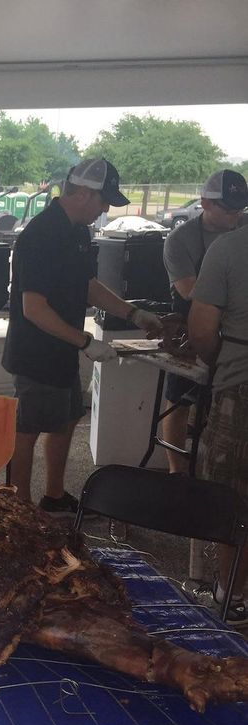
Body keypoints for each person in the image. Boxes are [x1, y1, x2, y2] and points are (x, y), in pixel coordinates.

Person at [2, 158, 163, 514]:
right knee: (26, 430)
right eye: (103, 199)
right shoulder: (41, 234)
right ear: (82, 193)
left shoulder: (78, 231)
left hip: (62, 349)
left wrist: (132, 312)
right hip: (35, 352)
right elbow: (34, 308)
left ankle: (54, 496)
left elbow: (88, 285)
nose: (106, 208)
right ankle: (18, 508)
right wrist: (86, 342)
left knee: (66, 418)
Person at [161, 170, 248, 474]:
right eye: (228, 208)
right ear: (205, 203)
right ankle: (176, 469)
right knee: (178, 400)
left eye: (241, 207)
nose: (236, 215)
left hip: (233, 332)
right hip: (194, 325)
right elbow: (190, 291)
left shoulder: (242, 229)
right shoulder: (179, 240)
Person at [188, 221, 248, 625]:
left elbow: (202, 331)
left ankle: (233, 596)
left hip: (240, 389)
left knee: (231, 496)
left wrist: (218, 365)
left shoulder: (229, 248)